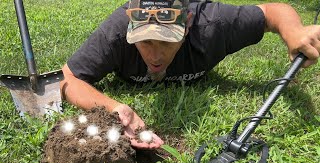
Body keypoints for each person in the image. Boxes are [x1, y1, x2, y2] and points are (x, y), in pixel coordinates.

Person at [60, 0, 319, 149]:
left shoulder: (213, 25)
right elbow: (69, 79)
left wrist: (294, 32)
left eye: (166, 41)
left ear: (186, 28)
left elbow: (272, 12)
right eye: (145, 41)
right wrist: (113, 106)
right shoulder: (116, 33)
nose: (155, 55)